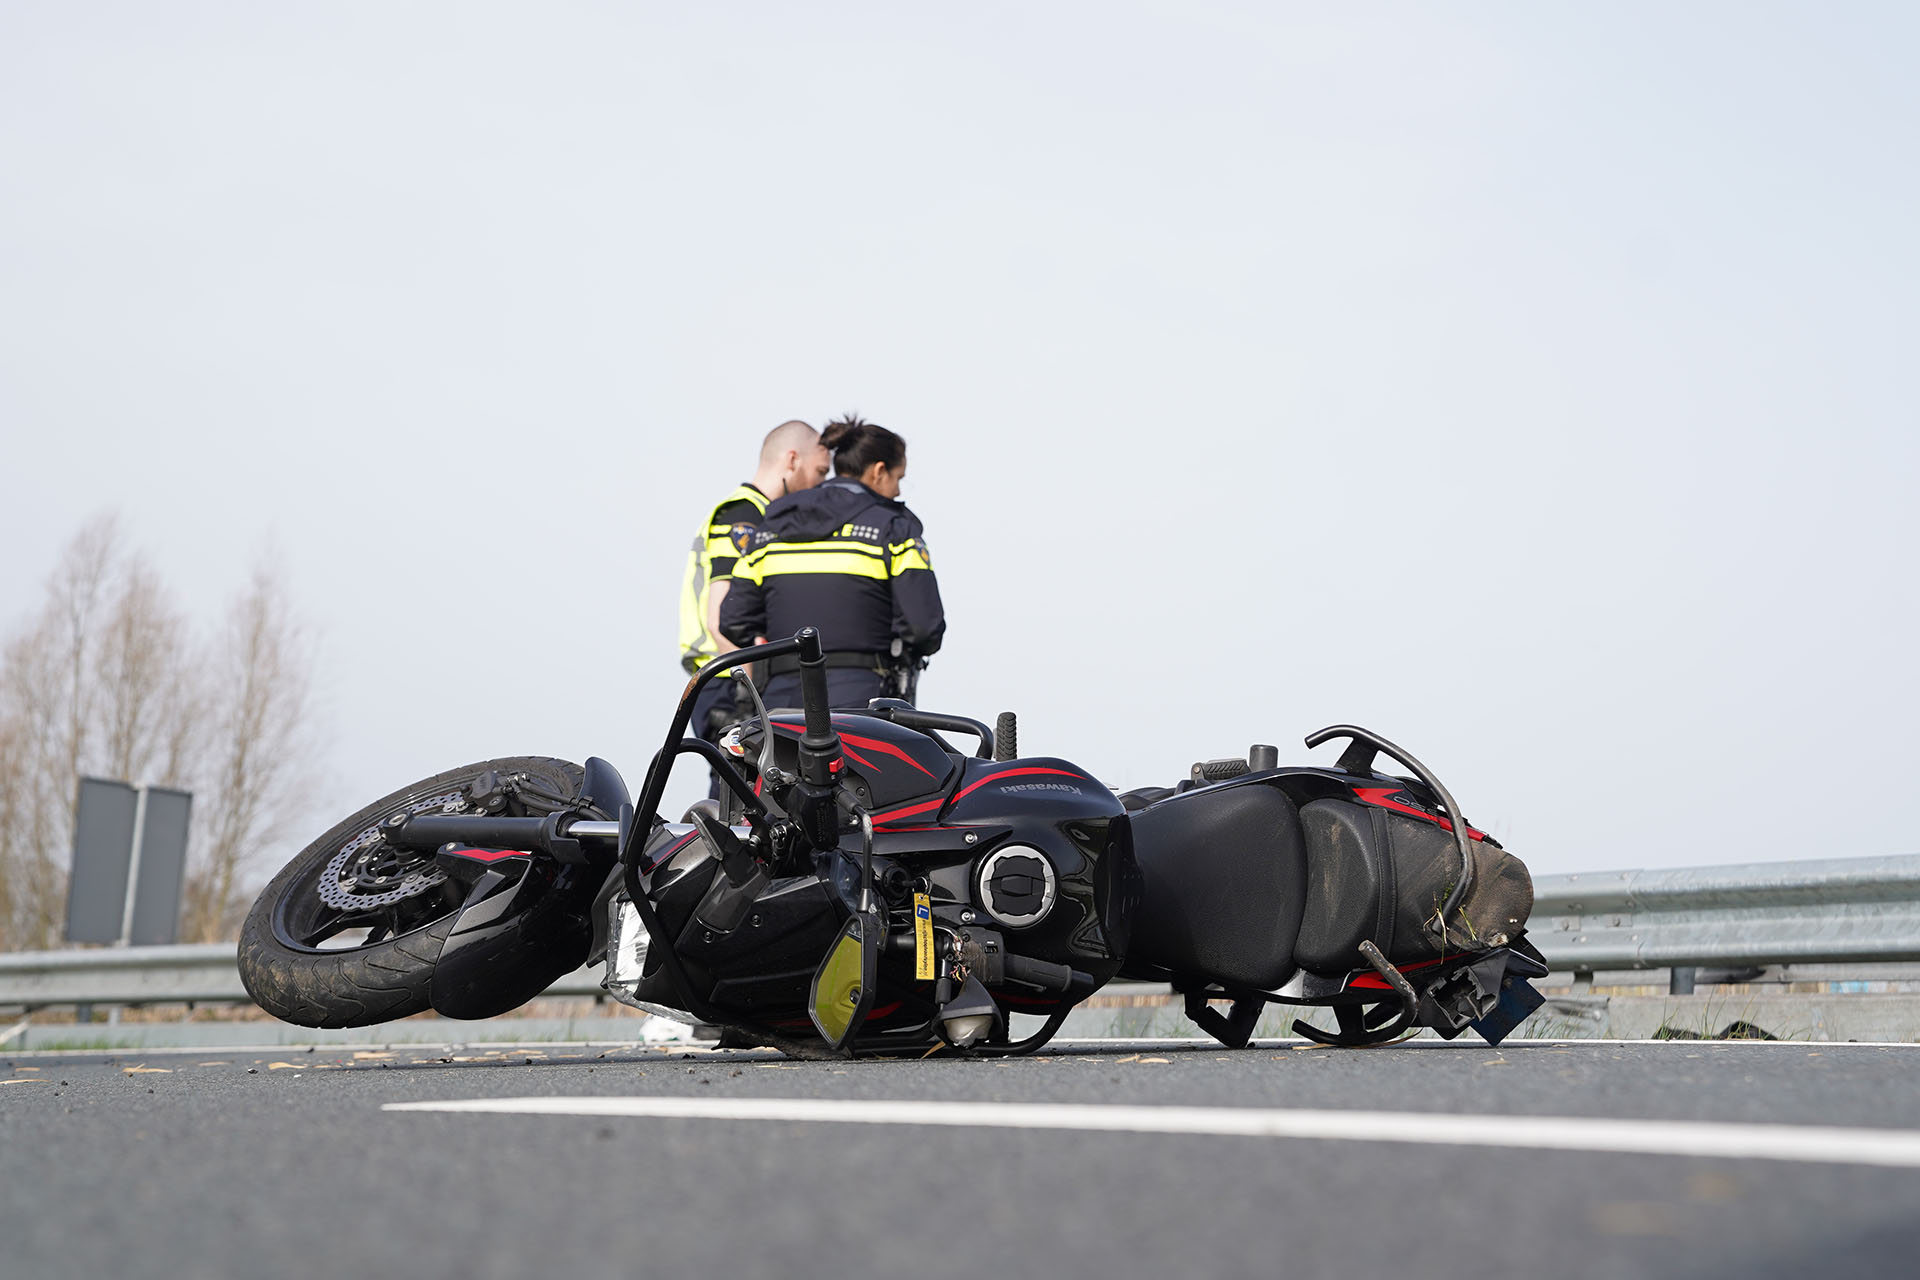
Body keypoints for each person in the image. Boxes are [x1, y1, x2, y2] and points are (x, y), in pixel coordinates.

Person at [719, 414, 945, 711]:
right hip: (864, 706)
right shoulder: (894, 529)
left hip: (779, 708)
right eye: (898, 478)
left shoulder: (770, 525)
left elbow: (733, 621)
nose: (899, 491)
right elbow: (924, 628)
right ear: (878, 471)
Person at [678, 420, 831, 749]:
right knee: (732, 793)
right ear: (792, 460)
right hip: (728, 680)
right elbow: (721, 620)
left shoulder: (764, 517)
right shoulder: (743, 517)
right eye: (820, 472)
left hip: (735, 678)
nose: (821, 485)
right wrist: (749, 697)